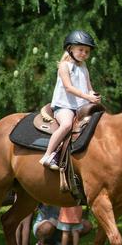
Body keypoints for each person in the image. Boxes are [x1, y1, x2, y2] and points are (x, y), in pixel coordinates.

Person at [40, 30, 100, 170]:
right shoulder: (64, 66)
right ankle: (47, 155)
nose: (84, 53)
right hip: (65, 106)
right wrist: (87, 97)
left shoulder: (84, 67)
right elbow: (68, 88)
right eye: (81, 49)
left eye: (87, 51)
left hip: (81, 107)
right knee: (66, 125)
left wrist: (94, 95)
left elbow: (88, 87)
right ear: (70, 48)